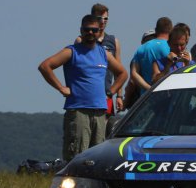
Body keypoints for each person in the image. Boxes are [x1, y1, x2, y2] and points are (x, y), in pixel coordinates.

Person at [38, 15, 128, 161]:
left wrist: (111, 92)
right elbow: (45, 66)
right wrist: (61, 88)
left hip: (100, 111)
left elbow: (123, 73)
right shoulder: (71, 51)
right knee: (77, 156)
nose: (90, 33)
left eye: (94, 30)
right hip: (79, 110)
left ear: (99, 31)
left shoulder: (104, 53)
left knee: (98, 157)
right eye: (87, 30)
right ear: (81, 30)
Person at [75, 3, 124, 103]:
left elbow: (119, 71)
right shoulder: (81, 40)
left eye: (105, 18)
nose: (102, 21)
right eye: (99, 18)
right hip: (86, 95)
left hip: (106, 95)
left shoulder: (114, 41)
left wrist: (119, 96)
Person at [129, 17, 173, 94]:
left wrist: (149, 88)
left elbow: (134, 73)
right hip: (169, 95)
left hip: (147, 96)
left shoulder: (142, 48)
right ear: (171, 30)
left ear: (156, 30)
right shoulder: (172, 47)